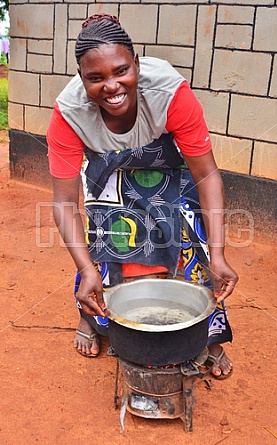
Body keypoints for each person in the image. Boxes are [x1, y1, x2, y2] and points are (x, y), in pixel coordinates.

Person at [47, 13, 238, 379]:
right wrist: (86, 268)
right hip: (108, 173)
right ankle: (91, 316)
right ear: (81, 79)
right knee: (106, 241)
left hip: (167, 167)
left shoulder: (169, 91)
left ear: (137, 63)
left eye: (121, 71)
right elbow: (64, 201)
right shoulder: (69, 113)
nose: (112, 86)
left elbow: (206, 174)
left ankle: (207, 336)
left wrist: (219, 254)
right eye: (95, 78)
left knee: (188, 237)